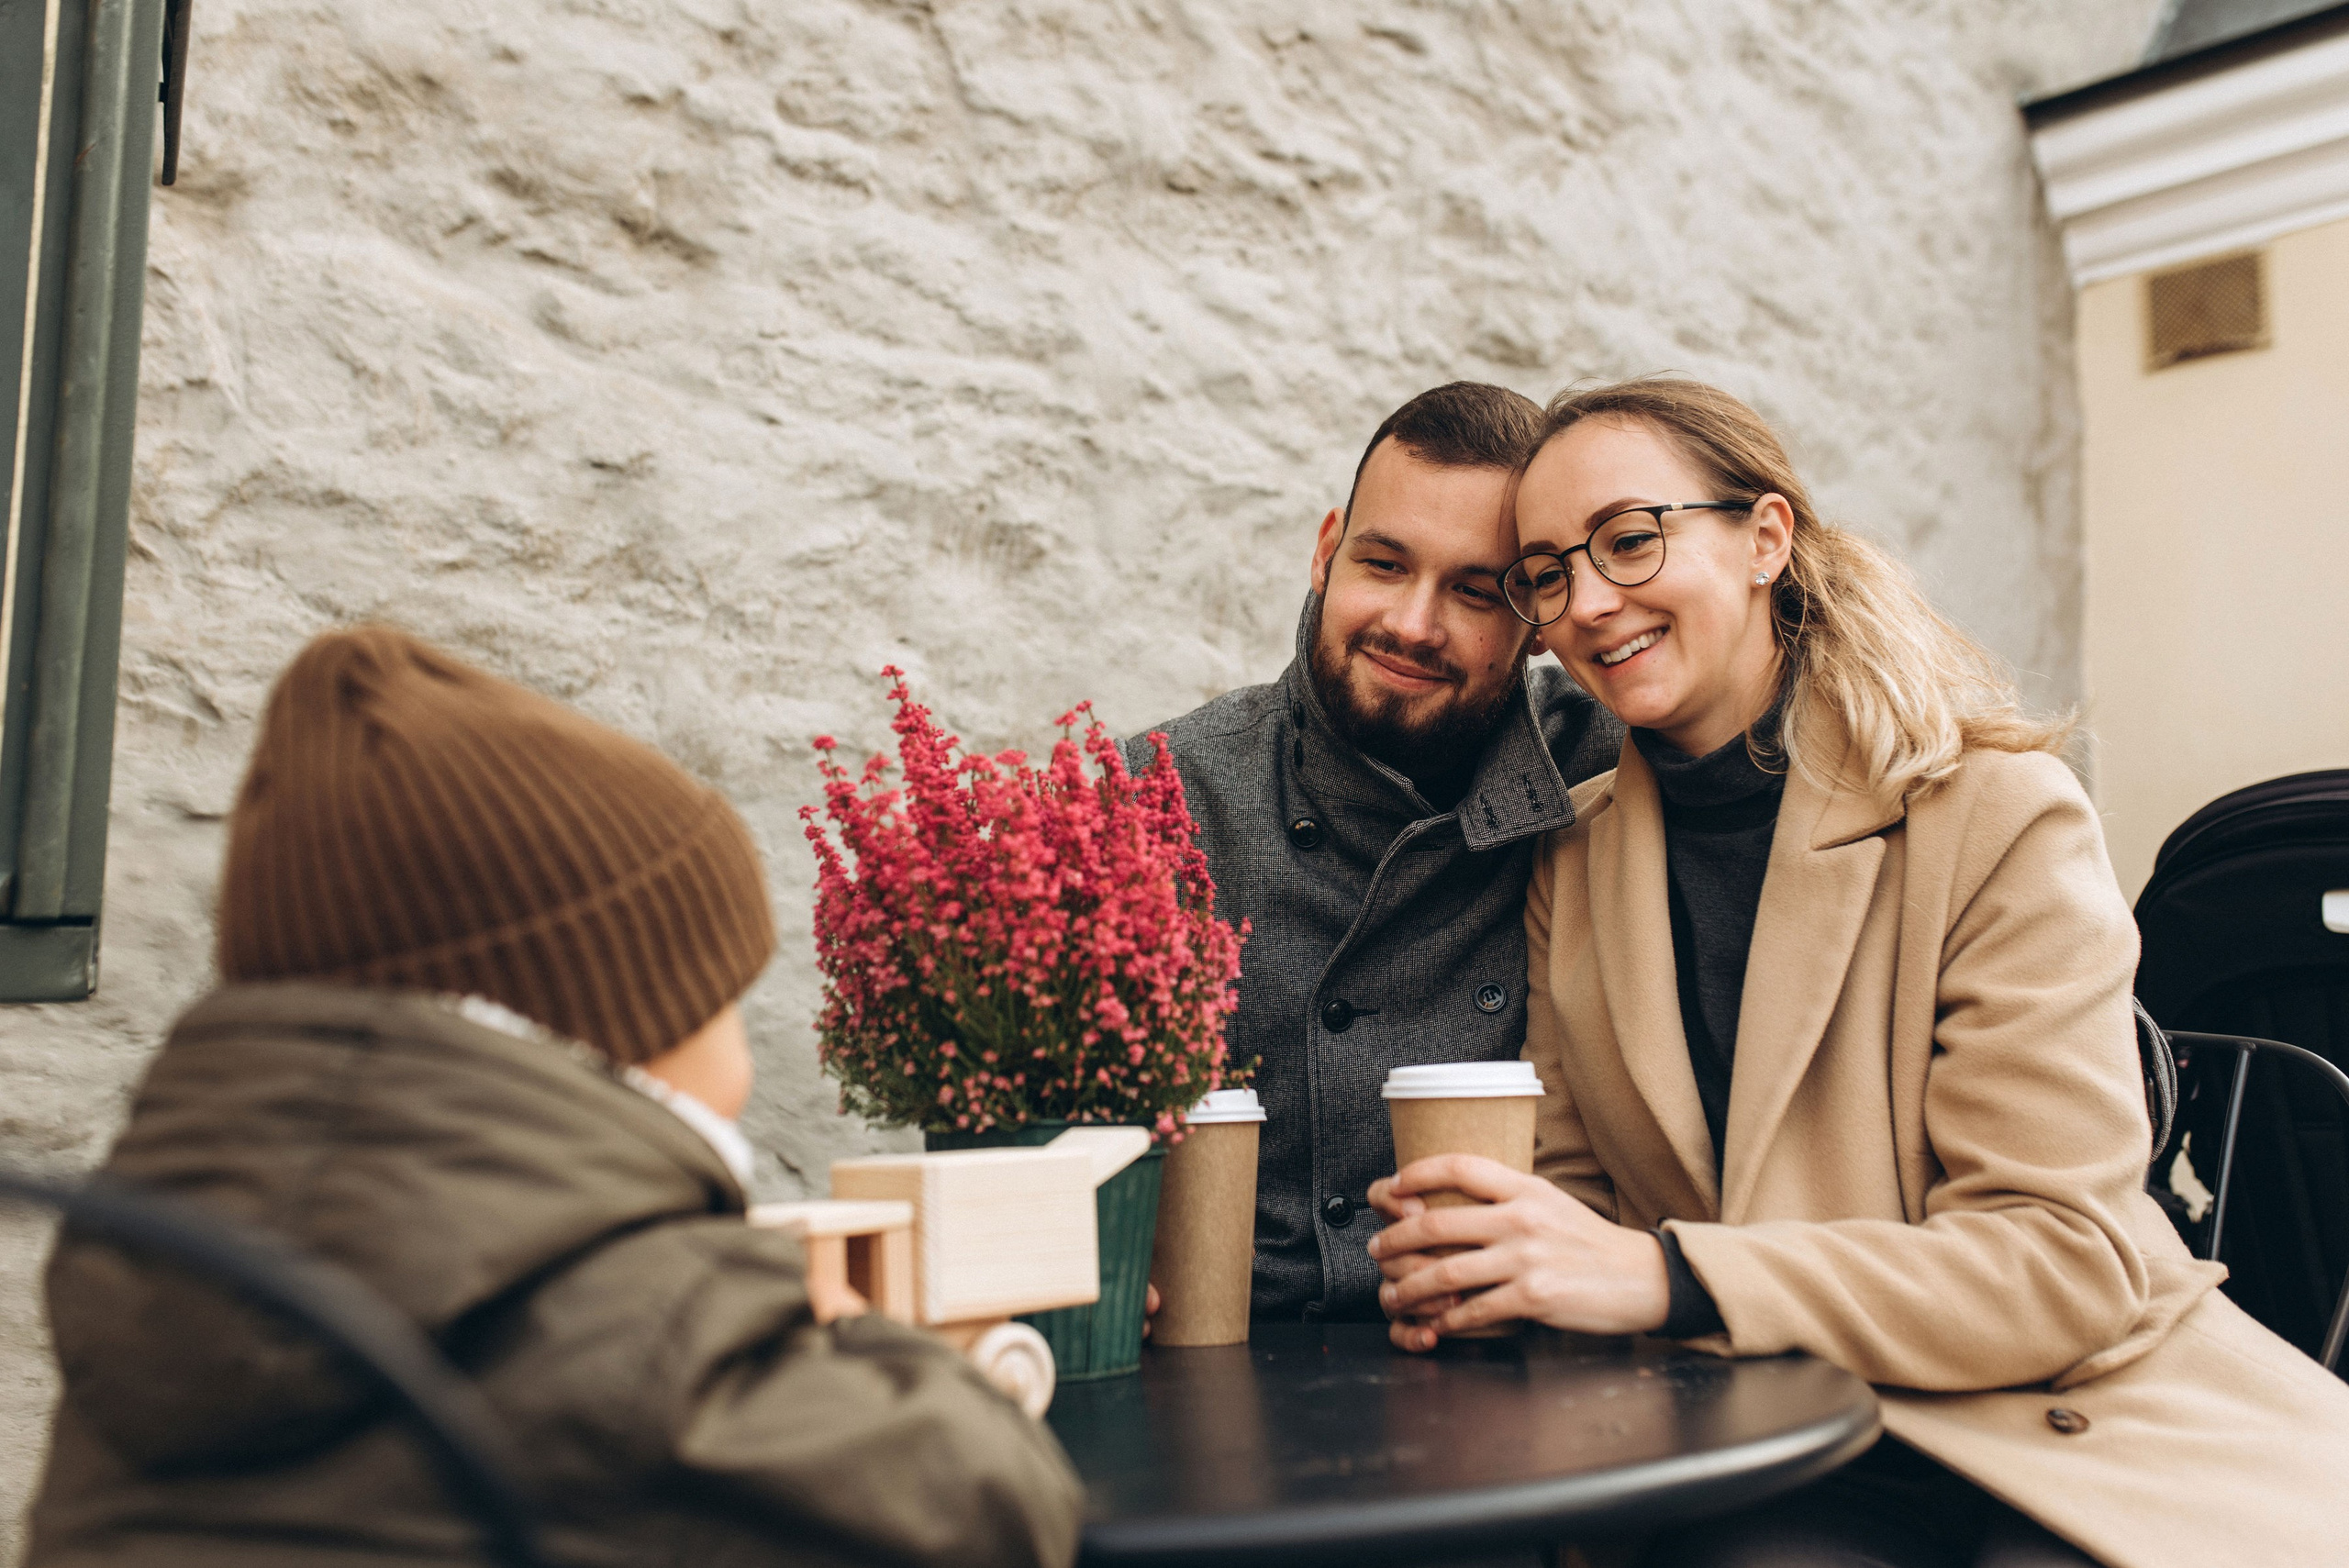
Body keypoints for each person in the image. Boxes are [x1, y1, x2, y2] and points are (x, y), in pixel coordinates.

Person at [1366, 377, 2349, 1567]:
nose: (1587, 602)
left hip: (2072, 1413)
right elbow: (1581, 1205)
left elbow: (2062, 1259)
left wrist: (1670, 1275)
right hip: (1768, 1430)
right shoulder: (1569, 859)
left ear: (1764, 539)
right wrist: (1504, 1261)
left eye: (1629, 540)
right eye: (1546, 573)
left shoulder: (1994, 812)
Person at [27, 627, 1083, 1568]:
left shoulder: (162, 1286)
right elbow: (991, 1500)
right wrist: (843, 1318)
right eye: (727, 992)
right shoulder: (644, 1328)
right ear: (620, 1021)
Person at [1128, 382, 1623, 1326]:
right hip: (1219, 1370)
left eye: (1475, 591)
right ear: (1325, 551)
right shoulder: (1154, 794)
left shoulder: (1609, 773)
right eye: (1384, 563)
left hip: (1515, 1368)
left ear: (1535, 618)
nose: (1411, 623)